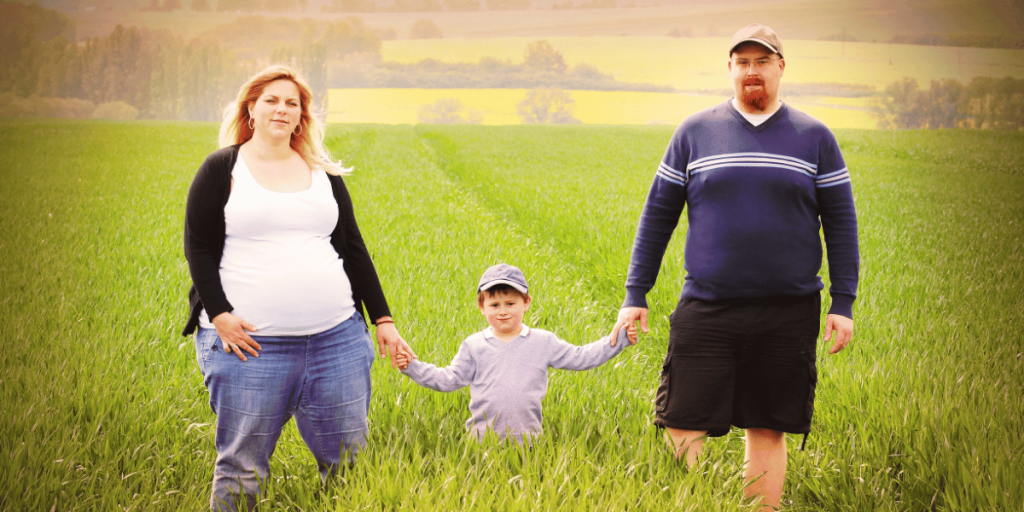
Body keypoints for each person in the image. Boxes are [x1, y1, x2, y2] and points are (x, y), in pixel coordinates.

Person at [610, 24, 859, 510]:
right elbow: (657, 215)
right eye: (742, 62)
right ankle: (690, 505)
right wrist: (634, 294)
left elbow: (842, 222)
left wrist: (843, 302)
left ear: (780, 68)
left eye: (762, 61)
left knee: (767, 425)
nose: (751, 71)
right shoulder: (695, 132)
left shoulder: (815, 138)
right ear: (729, 68)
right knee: (682, 420)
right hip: (707, 305)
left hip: (789, 310)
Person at [182, 64, 415, 511]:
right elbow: (198, 249)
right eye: (271, 99)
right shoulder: (222, 169)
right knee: (242, 470)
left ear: (302, 116)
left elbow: (353, 248)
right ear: (251, 107)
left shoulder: (322, 172)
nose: (281, 109)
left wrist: (382, 320)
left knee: (349, 465)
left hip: (337, 343)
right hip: (250, 349)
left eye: (292, 103)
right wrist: (222, 316)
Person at [395, 263, 635, 444]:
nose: (503, 312)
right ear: (482, 307)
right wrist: (412, 367)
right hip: (481, 444)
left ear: (526, 302)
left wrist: (620, 339)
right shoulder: (474, 345)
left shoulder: (543, 342)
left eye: (511, 304)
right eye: (494, 305)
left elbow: (582, 357)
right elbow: (448, 379)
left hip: (528, 445)